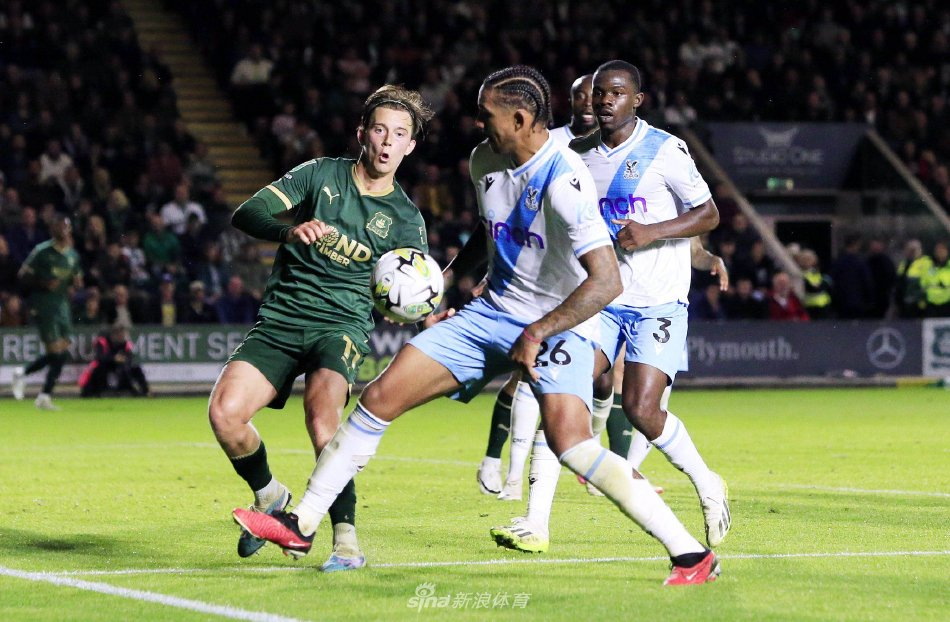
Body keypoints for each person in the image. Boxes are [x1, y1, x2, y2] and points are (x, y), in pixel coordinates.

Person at [234, 65, 720, 586]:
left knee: (573, 446)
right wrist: (440, 283)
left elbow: (605, 284)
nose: (475, 121)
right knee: (378, 397)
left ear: (519, 118)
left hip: (559, 324)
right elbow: (488, 232)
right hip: (489, 314)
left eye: (485, 113)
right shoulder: (484, 159)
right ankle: (301, 522)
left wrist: (537, 331)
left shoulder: (564, 181)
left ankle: (690, 553)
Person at [490, 61, 729, 559]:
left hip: (658, 299)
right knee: (560, 391)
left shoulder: (665, 149)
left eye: (616, 93)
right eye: (599, 93)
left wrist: (653, 232)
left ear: (636, 100)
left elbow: (709, 213)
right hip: (599, 300)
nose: (604, 101)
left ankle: (707, 483)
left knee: (643, 411)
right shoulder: (574, 154)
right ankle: (535, 522)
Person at [209, 84, 434, 573]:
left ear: (411, 146)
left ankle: (346, 539)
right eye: (380, 130)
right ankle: (271, 496)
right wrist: (288, 229)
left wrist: (423, 312)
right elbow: (247, 212)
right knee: (225, 416)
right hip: (283, 319)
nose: (387, 142)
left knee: (322, 418)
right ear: (362, 134)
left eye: (399, 134)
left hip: (342, 326)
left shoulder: (405, 220)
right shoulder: (319, 175)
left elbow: (413, 289)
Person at [477, 72, 599, 499]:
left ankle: (603, 469)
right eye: (583, 95)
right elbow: (499, 219)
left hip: (596, 281)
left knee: (599, 387)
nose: (591, 103)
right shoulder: (549, 144)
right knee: (528, 382)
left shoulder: (629, 151)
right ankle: (507, 471)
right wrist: (492, 269)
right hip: (544, 289)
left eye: (599, 95)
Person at [10, 213, 83, 410]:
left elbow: (76, 278)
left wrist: (76, 284)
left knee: (61, 353)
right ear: (53, 230)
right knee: (55, 352)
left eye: (66, 226)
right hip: (43, 305)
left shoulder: (72, 255)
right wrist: (43, 283)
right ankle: (41, 393)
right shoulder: (41, 252)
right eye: (60, 226)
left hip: (62, 307)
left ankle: (30, 381)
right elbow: (23, 276)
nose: (64, 229)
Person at [77, 321, 149, 397]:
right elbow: (99, 357)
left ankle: (143, 391)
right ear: (113, 335)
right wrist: (114, 358)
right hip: (104, 365)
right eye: (119, 334)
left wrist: (124, 359)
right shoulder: (102, 341)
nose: (121, 336)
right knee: (98, 369)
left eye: (123, 334)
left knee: (135, 368)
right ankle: (93, 392)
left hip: (120, 366)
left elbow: (129, 358)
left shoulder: (126, 344)